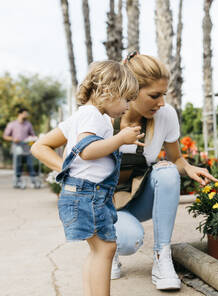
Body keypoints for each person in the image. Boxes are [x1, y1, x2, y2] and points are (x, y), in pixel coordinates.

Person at [31, 61, 141, 296]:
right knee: (105, 248)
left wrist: (72, 175)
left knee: (99, 249)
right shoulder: (94, 117)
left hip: (86, 193)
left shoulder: (84, 115)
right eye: (126, 99)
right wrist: (120, 139)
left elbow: (45, 148)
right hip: (89, 194)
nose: (128, 106)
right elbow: (87, 150)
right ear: (108, 92)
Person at [110, 51, 217, 291]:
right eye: (154, 95)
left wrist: (188, 168)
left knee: (167, 170)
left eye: (164, 95)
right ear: (131, 90)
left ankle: (162, 257)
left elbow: (176, 158)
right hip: (105, 204)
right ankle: (107, 248)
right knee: (128, 240)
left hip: (136, 198)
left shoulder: (165, 115)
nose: (162, 103)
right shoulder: (104, 118)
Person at [3, 107, 40, 188]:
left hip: (27, 147)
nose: (27, 115)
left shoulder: (28, 124)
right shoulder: (12, 124)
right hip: (17, 147)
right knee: (18, 165)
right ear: (20, 114)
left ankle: (33, 182)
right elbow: (5, 136)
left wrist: (34, 138)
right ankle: (17, 182)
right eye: (25, 113)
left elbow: (32, 135)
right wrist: (13, 139)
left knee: (30, 164)